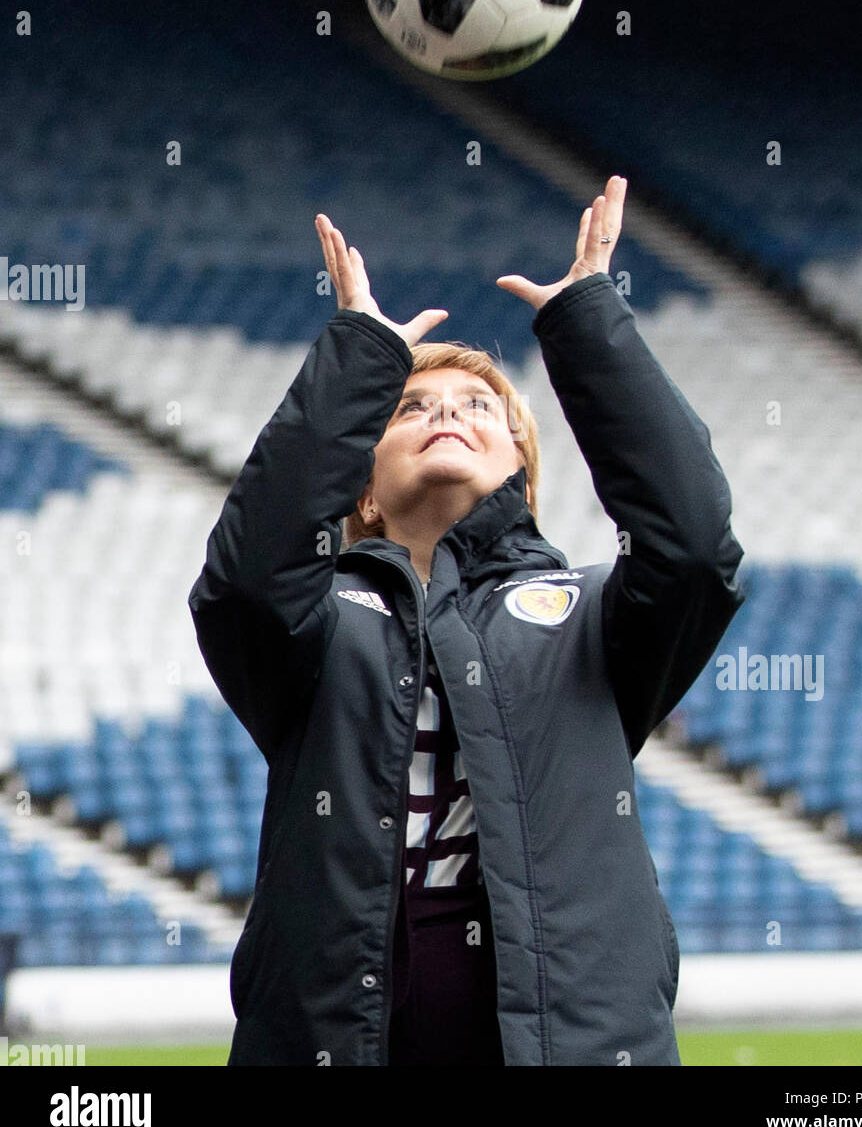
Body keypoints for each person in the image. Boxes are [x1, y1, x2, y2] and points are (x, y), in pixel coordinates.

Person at [188, 174, 745, 1066]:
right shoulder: (315, 618)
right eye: (411, 408)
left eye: (478, 407)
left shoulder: (593, 615)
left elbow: (691, 543)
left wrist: (587, 326)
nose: (446, 413)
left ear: (520, 468)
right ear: (362, 485)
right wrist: (360, 357)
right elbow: (245, 583)